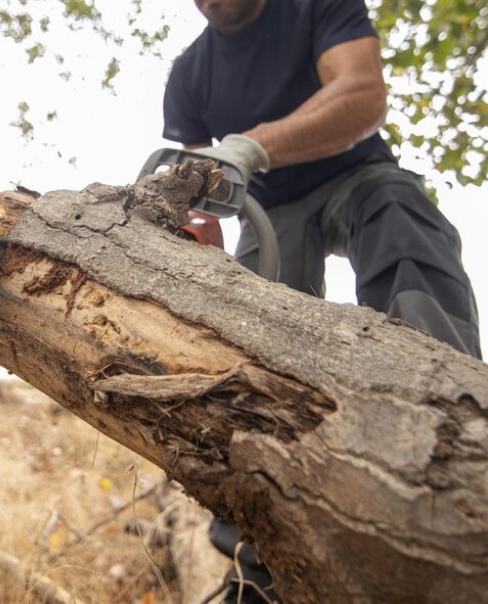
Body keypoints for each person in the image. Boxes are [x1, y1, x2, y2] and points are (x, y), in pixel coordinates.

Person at [161, 0, 482, 601]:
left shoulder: (317, 8)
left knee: (401, 219)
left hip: (357, 173)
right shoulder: (188, 76)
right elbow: (197, 187)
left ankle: (453, 423)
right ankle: (258, 568)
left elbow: (363, 94)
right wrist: (195, 244)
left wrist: (255, 145)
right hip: (271, 214)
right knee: (249, 335)